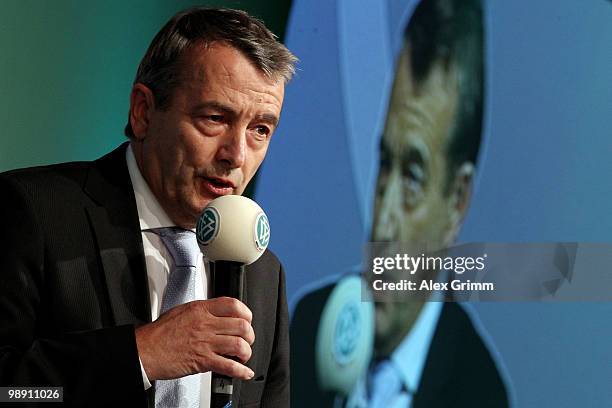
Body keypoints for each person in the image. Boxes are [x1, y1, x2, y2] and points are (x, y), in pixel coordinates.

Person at [0, 7, 296, 408]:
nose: (237, 155)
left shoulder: (262, 273)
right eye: (214, 117)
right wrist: (140, 355)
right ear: (143, 112)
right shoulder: (33, 213)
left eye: (260, 129)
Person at [291, 0, 509, 406]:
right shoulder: (308, 327)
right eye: (385, 164)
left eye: (412, 178)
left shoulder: (479, 393)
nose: (383, 225)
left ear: (457, 203)